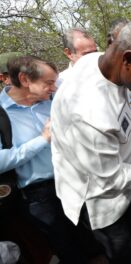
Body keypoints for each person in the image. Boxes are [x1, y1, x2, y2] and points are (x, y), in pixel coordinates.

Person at [51, 20, 131, 263]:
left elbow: (125, 114)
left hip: (126, 185)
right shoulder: (88, 112)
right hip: (103, 202)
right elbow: (110, 179)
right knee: (122, 251)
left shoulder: (101, 64)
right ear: (128, 59)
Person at [0, 56, 91, 263]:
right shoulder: (1, 114)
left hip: (72, 179)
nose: (54, 87)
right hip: (38, 196)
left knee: (88, 235)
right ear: (24, 79)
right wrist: (42, 140)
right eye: (48, 83)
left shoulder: (52, 101)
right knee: (66, 246)